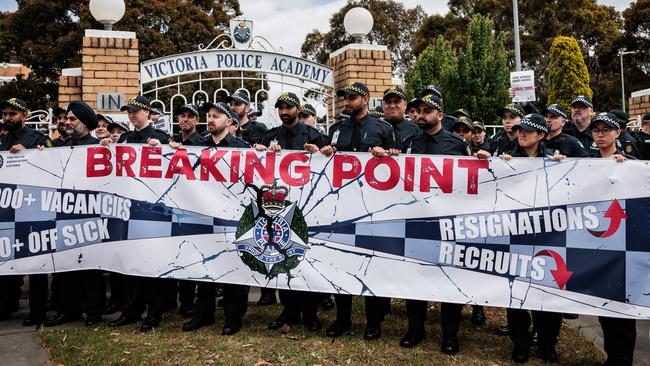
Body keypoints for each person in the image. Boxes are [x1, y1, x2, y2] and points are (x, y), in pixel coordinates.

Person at [320, 82, 395, 340]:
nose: (347, 102)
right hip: (340, 208)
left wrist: (387, 155)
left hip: (372, 208)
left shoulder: (382, 128)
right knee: (340, 263)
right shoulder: (336, 128)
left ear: (365, 99)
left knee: (371, 265)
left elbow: (398, 163)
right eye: (344, 98)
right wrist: (326, 153)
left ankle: (373, 322)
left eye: (352, 98)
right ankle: (342, 319)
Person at [400, 95, 474, 353]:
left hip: (448, 224)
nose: (421, 115)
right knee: (414, 277)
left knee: (449, 279)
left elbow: (473, 184)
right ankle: (415, 329)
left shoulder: (457, 144)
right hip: (415, 222)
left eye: (427, 111)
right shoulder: (409, 143)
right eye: (418, 111)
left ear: (440, 115)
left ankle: (450, 335)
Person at [254, 92, 327, 332]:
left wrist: (319, 152)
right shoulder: (270, 135)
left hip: (308, 210)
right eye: (280, 108)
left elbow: (329, 163)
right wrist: (261, 150)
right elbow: (257, 163)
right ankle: (288, 310)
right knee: (283, 260)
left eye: (289, 107)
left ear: (298, 108)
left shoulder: (313, 135)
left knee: (309, 260)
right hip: (278, 209)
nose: (284, 111)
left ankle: (310, 312)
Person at [176, 102, 251, 335]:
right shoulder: (197, 147)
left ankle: (232, 317)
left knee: (233, 267)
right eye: (208, 116)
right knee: (204, 265)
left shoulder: (242, 148)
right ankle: (203, 314)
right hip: (204, 215)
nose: (210, 119)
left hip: (233, 218)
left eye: (216, 116)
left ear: (229, 122)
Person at [101, 96, 171, 332]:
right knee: (132, 265)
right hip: (129, 210)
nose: (131, 115)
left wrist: (162, 151)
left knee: (152, 264)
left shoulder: (161, 139)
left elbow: (173, 169)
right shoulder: (126, 139)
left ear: (147, 112)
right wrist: (106, 149)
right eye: (128, 112)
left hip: (154, 211)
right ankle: (130, 311)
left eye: (135, 111)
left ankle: (154, 314)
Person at [498, 114, 565, 363]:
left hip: (548, 237)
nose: (521, 134)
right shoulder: (505, 157)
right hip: (515, 236)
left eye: (527, 130)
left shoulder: (556, 158)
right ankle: (521, 343)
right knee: (515, 293)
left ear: (541, 136)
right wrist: (497, 165)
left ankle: (548, 344)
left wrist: (563, 166)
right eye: (519, 130)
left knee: (546, 294)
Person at [44, 101, 106, 327]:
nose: (67, 123)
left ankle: (93, 311)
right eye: (66, 119)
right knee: (64, 267)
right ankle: (67, 310)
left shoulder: (98, 146)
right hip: (63, 214)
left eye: (72, 119)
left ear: (85, 123)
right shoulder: (60, 148)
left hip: (89, 214)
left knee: (90, 267)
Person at [588, 112, 637, 365]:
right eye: (597, 130)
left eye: (606, 129)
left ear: (618, 133)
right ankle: (611, 357)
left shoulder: (633, 164)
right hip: (597, 245)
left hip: (626, 248)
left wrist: (627, 166)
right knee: (603, 307)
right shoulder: (585, 163)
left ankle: (623, 360)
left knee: (625, 309)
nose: (600, 134)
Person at [0, 98, 52, 325]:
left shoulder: (40, 140)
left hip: (33, 210)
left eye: (13, 113)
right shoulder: (2, 140)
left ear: (25, 114)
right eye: (5, 114)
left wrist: (28, 153)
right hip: (7, 210)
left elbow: (53, 170)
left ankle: (37, 311)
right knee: (6, 258)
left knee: (36, 263)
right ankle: (6, 306)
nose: (8, 118)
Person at [381, 87, 420, 153]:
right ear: (383, 106)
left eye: (396, 101)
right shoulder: (374, 128)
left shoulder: (415, 130)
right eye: (388, 102)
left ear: (405, 105)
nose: (392, 106)